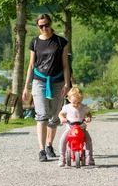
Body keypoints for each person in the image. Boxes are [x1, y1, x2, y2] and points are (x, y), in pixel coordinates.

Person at [22, 14, 71, 162]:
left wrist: (67, 84)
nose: (44, 28)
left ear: (51, 24)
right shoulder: (35, 42)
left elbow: (65, 65)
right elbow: (31, 65)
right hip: (39, 81)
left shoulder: (60, 42)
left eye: (46, 25)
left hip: (57, 81)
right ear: (37, 26)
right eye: (41, 26)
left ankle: (50, 145)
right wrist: (26, 87)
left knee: (54, 116)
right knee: (42, 115)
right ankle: (42, 150)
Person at [58, 87, 94, 167]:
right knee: (63, 139)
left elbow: (88, 113)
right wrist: (62, 118)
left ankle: (90, 157)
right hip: (70, 128)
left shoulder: (83, 107)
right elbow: (61, 114)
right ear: (69, 99)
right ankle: (62, 157)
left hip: (81, 128)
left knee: (88, 140)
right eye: (74, 102)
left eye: (79, 102)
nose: (76, 105)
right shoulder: (67, 107)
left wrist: (88, 117)